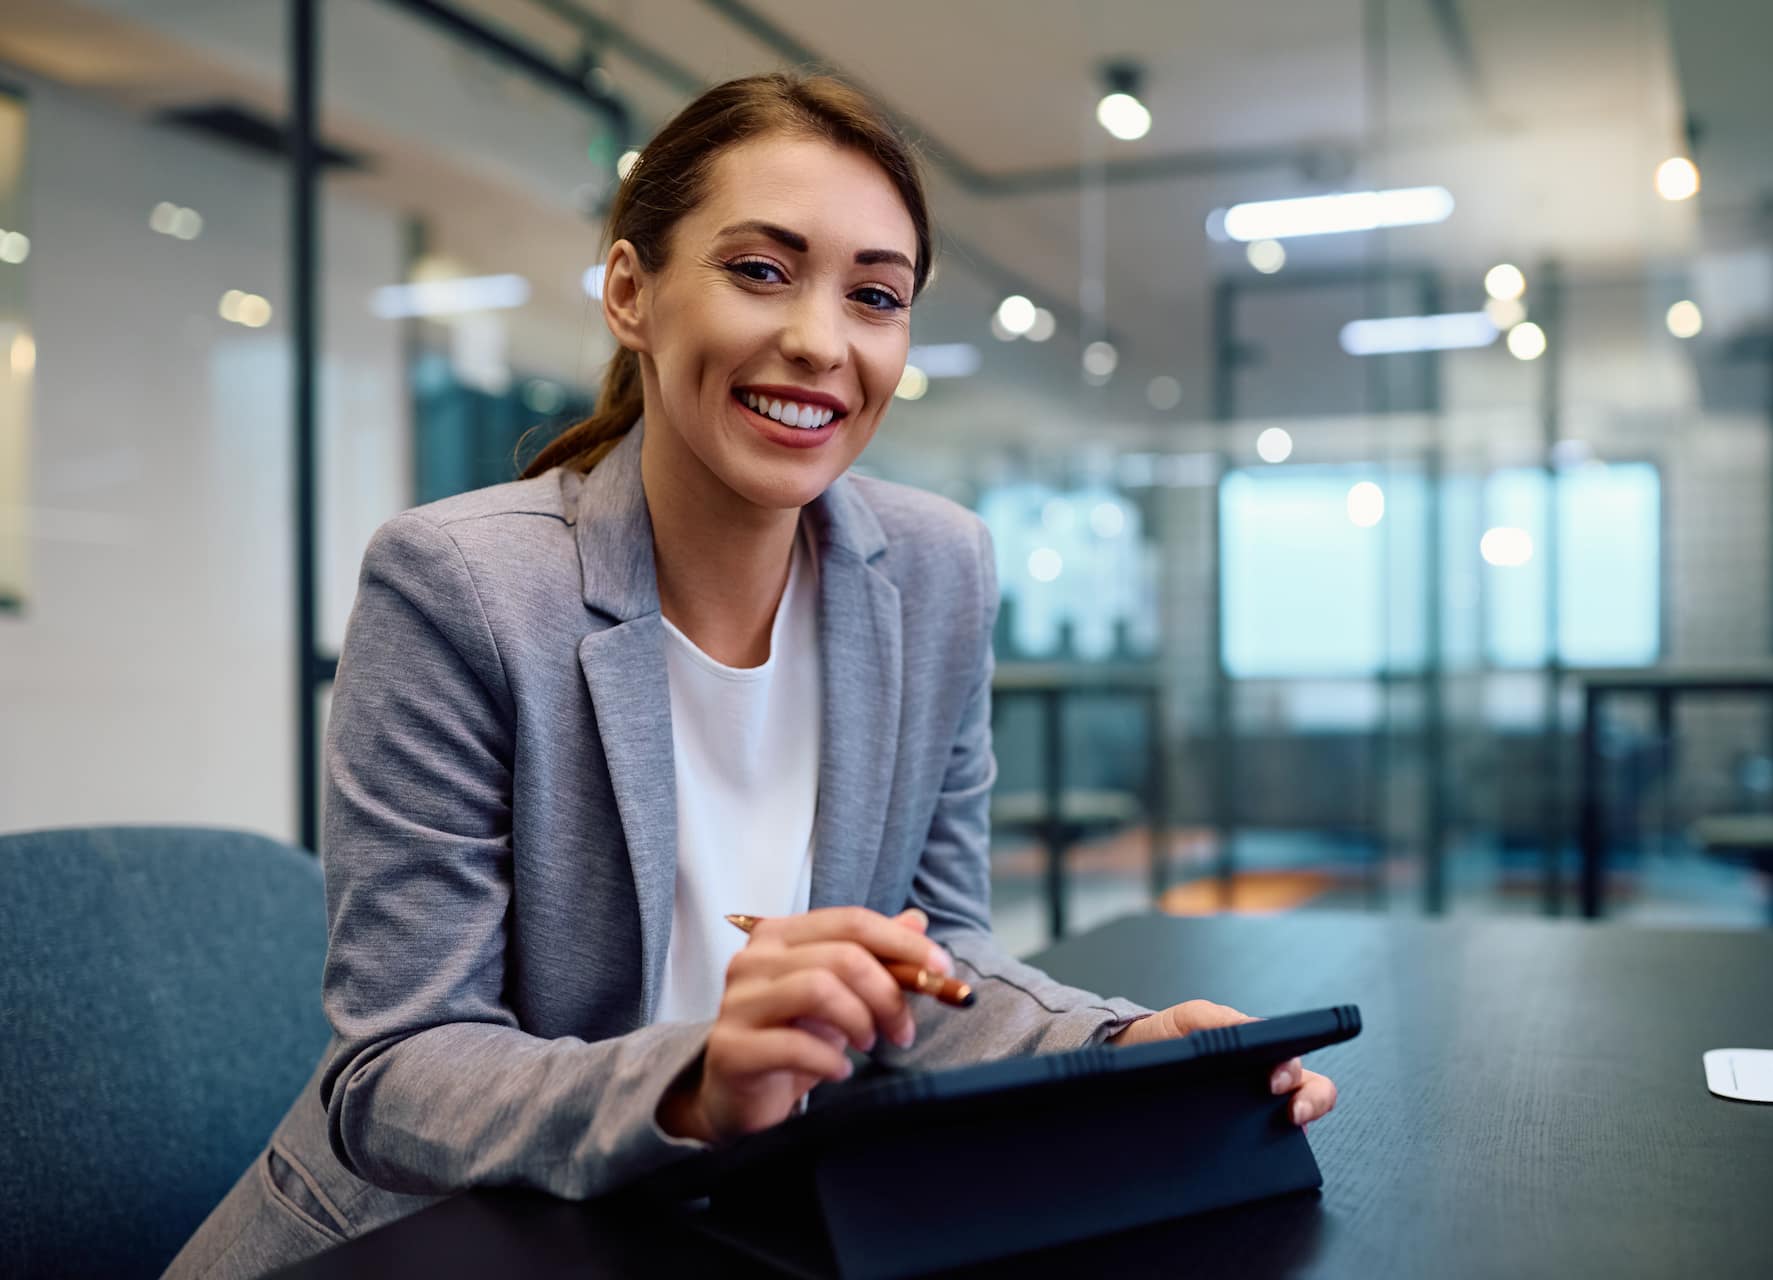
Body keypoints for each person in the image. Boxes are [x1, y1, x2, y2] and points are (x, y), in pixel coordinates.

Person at [164, 71, 1335, 1279]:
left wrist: (1127, 1045)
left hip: (711, 1227)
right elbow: (394, 1069)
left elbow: (938, 963)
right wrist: (697, 1080)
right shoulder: (457, 585)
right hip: (426, 1244)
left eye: (874, 295)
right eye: (761, 270)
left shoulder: (937, 570)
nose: (821, 341)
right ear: (632, 292)